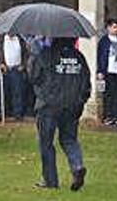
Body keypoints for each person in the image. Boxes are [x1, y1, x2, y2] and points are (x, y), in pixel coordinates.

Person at [28, 37, 91, 191]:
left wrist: (33, 57)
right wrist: (81, 99)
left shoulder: (46, 54)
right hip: (72, 105)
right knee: (69, 139)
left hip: (49, 105)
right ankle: (77, 166)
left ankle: (50, 180)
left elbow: (34, 77)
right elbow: (86, 81)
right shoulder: (79, 57)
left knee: (46, 143)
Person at [97, 19, 117, 125]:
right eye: (114, 27)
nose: (116, 29)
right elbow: (100, 56)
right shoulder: (104, 41)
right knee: (109, 94)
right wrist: (100, 70)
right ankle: (109, 115)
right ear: (108, 28)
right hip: (108, 71)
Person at [0, 32, 29, 120]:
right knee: (3, 93)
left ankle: (18, 114)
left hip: (17, 69)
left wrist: (23, 65)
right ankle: (2, 113)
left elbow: (26, 53)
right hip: (5, 69)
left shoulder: (20, 39)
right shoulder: (0, 39)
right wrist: (0, 63)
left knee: (18, 92)